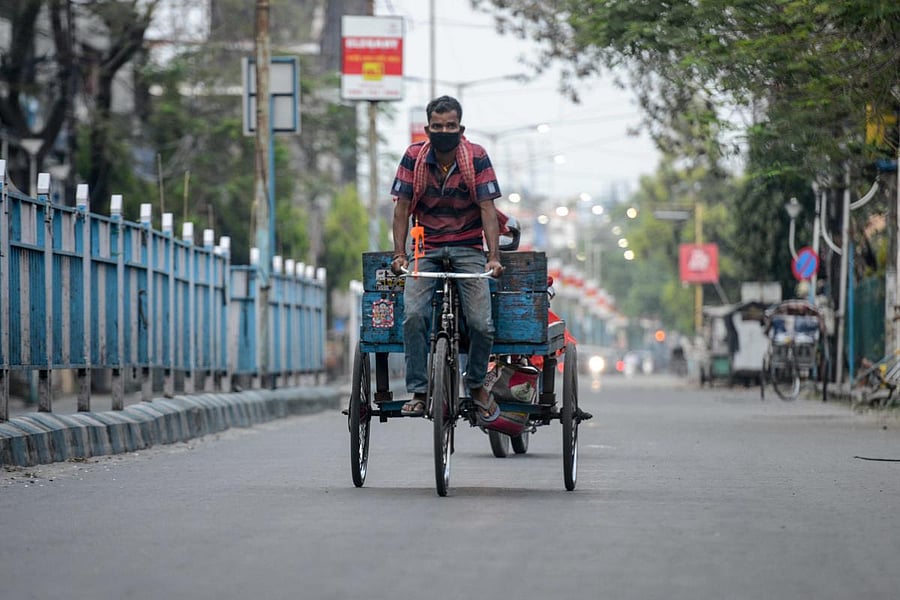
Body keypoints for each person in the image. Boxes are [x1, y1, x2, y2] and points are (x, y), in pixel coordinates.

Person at [389, 95, 504, 423]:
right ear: (427, 129)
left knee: (482, 323)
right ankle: (419, 390)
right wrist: (400, 254)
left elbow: (487, 209)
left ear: (460, 128)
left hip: (468, 248)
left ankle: (478, 384)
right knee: (412, 315)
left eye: (450, 126)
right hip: (426, 249)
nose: (443, 131)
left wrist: (493, 258)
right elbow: (401, 209)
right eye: (437, 126)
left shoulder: (477, 157)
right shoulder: (414, 158)